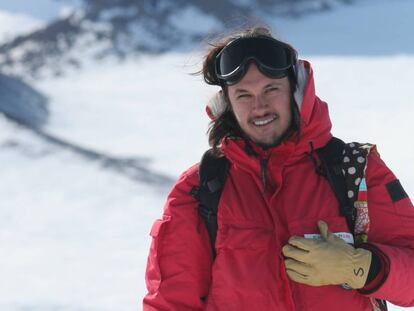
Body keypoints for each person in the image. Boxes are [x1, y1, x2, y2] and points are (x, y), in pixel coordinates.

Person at [143, 26, 414, 310]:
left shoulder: (354, 171)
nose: (259, 106)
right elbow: (170, 303)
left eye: (271, 89)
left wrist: (359, 268)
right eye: (243, 95)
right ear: (227, 104)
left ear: (296, 91)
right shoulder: (201, 189)